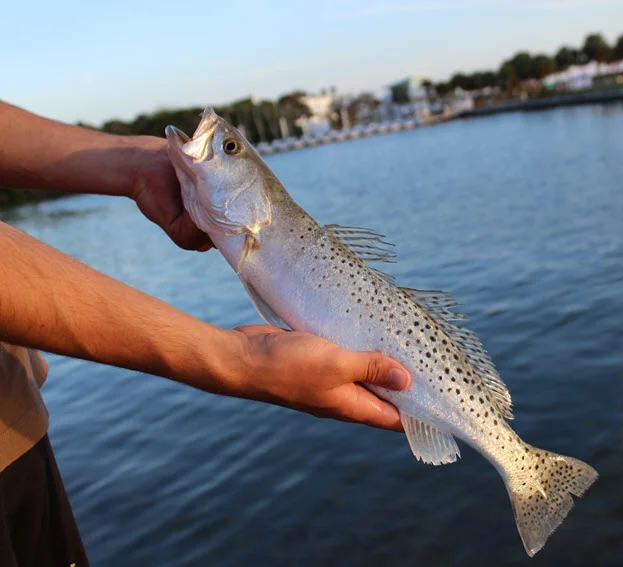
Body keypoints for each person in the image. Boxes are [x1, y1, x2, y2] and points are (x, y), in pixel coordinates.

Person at [0, 100, 412, 566]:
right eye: (230, 147)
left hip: (18, 429)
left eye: (229, 147)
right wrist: (232, 357)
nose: (219, 142)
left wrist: (137, 166)